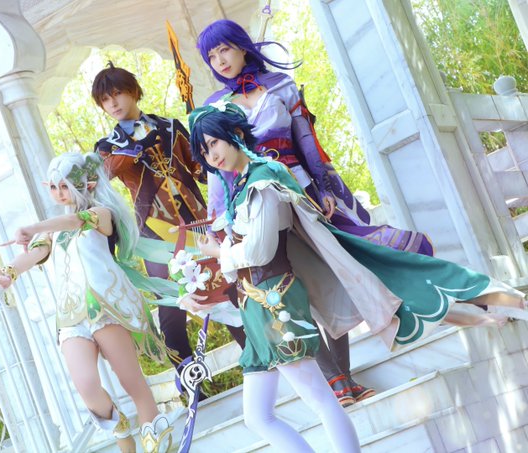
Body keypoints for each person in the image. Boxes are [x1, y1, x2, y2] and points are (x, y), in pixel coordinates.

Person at [184, 101, 525, 451]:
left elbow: (261, 251)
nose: (212, 155)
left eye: (214, 142)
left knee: (321, 402)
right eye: (204, 150)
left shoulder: (264, 180)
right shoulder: (241, 188)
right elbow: (243, 258)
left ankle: (500, 302)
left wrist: (219, 253)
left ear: (235, 134)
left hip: (276, 303)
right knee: (257, 417)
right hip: (255, 306)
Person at [196, 18, 433, 405]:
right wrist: (219, 221)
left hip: (300, 192)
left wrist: (323, 186)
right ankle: (334, 380)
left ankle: (345, 377)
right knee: (284, 288)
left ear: (241, 47)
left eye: (224, 49)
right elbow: (215, 171)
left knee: (331, 277)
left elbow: (305, 138)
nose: (219, 60)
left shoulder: (280, 86)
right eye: (211, 56)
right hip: (254, 202)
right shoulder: (213, 107)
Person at [0, 152, 172, 453]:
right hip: (71, 315)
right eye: (54, 187)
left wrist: (34, 227)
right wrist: (9, 272)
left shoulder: (102, 214)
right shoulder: (51, 231)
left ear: (86, 184)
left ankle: (157, 440)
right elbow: (35, 254)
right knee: (86, 385)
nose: (59, 193)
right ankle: (121, 430)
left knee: (132, 381)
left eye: (65, 185)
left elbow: (76, 220)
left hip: (105, 306)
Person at [91, 63, 247, 383]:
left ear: (133, 91)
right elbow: (105, 175)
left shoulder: (171, 127)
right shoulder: (107, 147)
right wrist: (135, 148)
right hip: (155, 231)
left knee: (224, 287)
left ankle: (257, 356)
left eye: (118, 93)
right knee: (172, 303)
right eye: (105, 99)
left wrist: (209, 147)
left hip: (198, 221)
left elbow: (200, 169)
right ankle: (188, 379)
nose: (113, 103)